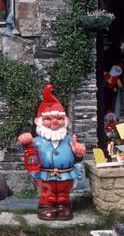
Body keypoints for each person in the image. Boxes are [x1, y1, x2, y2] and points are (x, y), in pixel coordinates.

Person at [17, 85, 86, 221]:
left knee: (63, 193)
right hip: (45, 175)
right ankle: (46, 206)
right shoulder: (36, 141)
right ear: (38, 121)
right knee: (47, 192)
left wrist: (78, 154)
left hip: (65, 175)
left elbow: (77, 158)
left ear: (65, 121)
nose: (54, 122)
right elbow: (28, 153)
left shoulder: (69, 140)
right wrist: (24, 143)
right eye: (48, 119)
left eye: (59, 119)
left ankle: (63, 206)